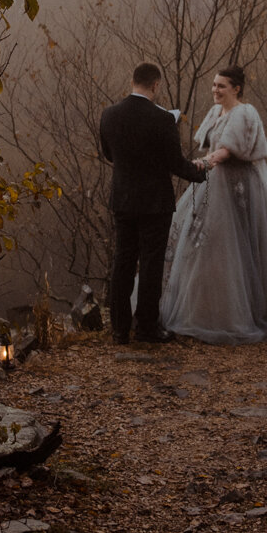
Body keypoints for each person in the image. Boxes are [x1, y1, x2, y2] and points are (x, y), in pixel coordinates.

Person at [161, 65, 267, 343]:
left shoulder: (245, 113)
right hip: (213, 184)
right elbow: (210, 146)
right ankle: (211, 310)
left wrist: (203, 164)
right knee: (209, 247)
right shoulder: (215, 112)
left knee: (242, 246)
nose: (215, 90)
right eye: (214, 85)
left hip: (239, 188)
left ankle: (248, 313)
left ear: (236, 88)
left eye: (221, 86)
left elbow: (225, 150)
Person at [98, 61, 206, 346]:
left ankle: (120, 330)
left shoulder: (108, 115)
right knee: (150, 264)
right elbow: (175, 163)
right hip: (155, 202)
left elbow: (109, 154)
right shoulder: (163, 119)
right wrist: (200, 172)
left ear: (133, 81)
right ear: (156, 85)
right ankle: (147, 327)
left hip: (122, 198)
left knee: (122, 261)